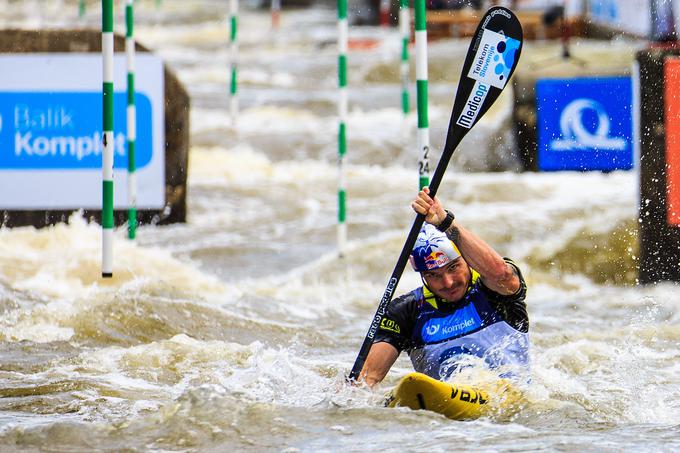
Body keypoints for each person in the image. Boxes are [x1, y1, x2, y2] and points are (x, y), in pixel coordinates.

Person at [358, 187, 529, 387]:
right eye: (434, 275)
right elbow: (366, 380)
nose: (448, 282)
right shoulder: (405, 312)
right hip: (440, 411)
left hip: (507, 406)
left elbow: (501, 273)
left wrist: (444, 222)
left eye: (453, 267)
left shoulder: (494, 290)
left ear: (466, 259)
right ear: (422, 276)